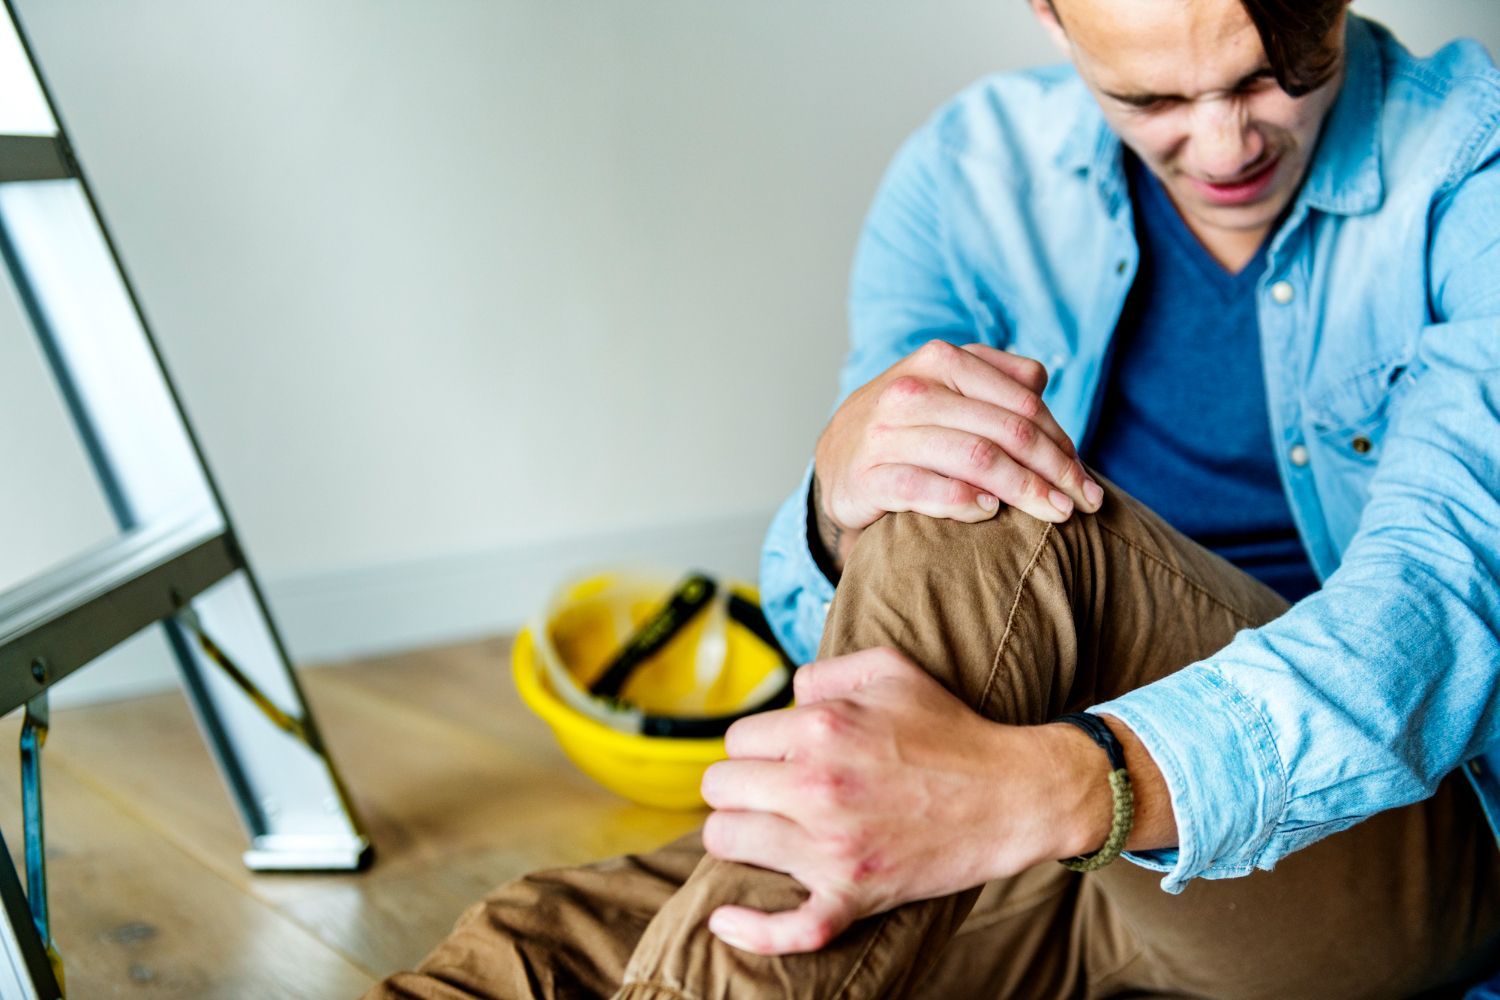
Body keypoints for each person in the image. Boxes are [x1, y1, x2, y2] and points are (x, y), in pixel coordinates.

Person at [368, 0, 1500, 996]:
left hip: (1374, 839)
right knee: (539, 949)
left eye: (1267, 77)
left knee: (987, 508)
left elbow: (1440, 613)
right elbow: (872, 636)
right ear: (1050, 18)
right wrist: (833, 508)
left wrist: (1063, 787)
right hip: (1037, 835)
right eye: (1151, 96)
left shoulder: (1468, 163)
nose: (1223, 143)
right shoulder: (970, 175)